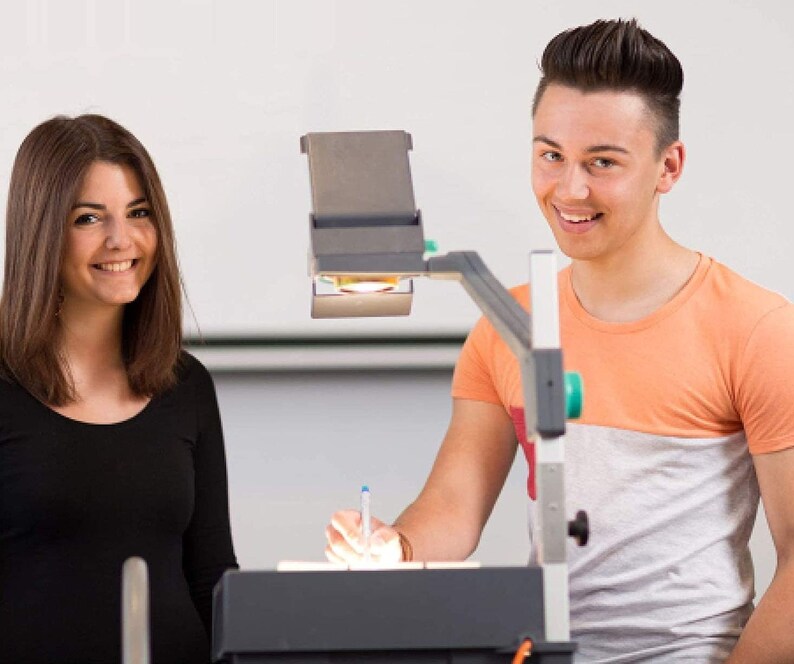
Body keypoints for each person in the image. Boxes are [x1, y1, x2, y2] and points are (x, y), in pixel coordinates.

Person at [325, 19, 794, 663]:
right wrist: (392, 548)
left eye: (603, 162)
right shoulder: (509, 325)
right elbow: (454, 509)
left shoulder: (756, 328)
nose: (570, 190)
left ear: (668, 167)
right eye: (551, 156)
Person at [0, 114, 238, 663]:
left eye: (138, 213)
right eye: (88, 218)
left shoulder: (187, 385)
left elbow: (212, 577)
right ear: (40, 232)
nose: (121, 239)